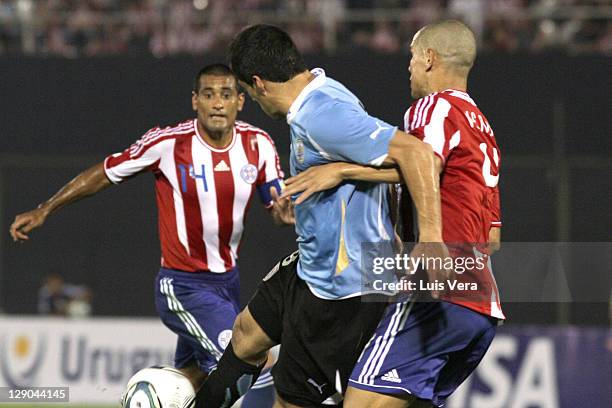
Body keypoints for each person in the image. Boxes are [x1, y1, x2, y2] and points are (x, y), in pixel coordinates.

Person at [195, 25, 446, 408]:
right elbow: (366, 165)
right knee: (245, 334)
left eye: (246, 92)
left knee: (291, 401)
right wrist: (315, 206)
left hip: (340, 287)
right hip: (312, 265)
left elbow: (418, 156)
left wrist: (429, 238)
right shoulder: (323, 90)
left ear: (259, 84)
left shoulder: (323, 116)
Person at [9, 63, 290, 406]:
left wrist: (284, 212)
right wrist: (46, 208)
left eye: (226, 94)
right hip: (183, 285)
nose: (218, 102)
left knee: (192, 381)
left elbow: (276, 205)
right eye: (209, 94)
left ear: (240, 102)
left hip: (227, 284)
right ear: (195, 101)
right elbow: (105, 172)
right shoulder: (169, 144)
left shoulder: (258, 144)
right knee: (251, 358)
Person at [281, 20, 504, 408]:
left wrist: (341, 170)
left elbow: (421, 164)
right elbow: (492, 238)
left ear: (430, 59)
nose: (409, 68)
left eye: (413, 58)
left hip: (437, 292)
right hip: (480, 306)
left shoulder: (434, 107)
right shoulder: (482, 127)